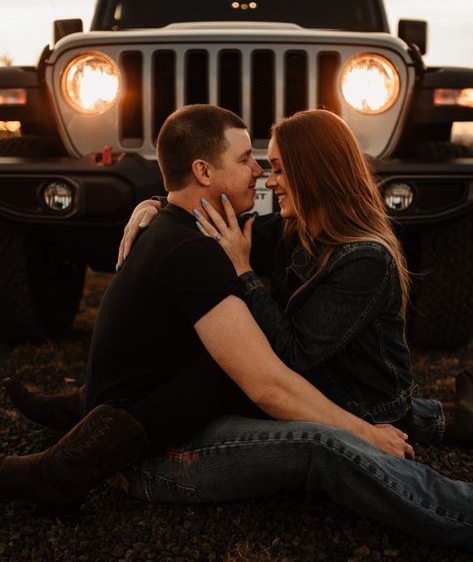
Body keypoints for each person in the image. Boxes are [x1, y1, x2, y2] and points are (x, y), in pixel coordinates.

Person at [4, 107, 473, 549]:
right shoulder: (270, 233)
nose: (264, 176)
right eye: (251, 160)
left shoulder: (357, 257)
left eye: (276, 168)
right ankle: (87, 414)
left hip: (342, 389)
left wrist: (244, 272)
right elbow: (266, 377)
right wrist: (155, 201)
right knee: (283, 405)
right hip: (273, 405)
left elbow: (281, 368)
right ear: (205, 172)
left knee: (312, 403)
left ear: (314, 175)